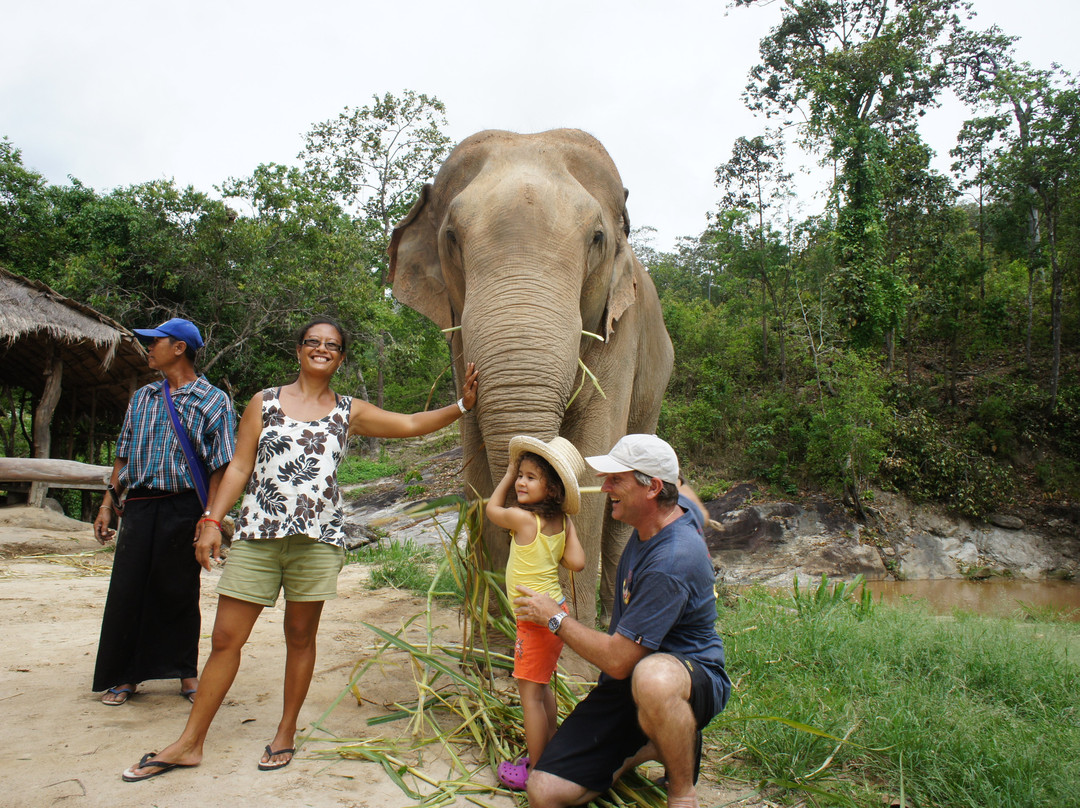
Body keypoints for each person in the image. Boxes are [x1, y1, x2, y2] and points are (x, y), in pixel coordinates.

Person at [121, 316, 479, 782]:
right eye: (313, 341)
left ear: (342, 357)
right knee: (226, 639)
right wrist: (211, 519)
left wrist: (460, 406)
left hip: (317, 542)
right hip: (257, 536)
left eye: (332, 345)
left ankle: (286, 731)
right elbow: (238, 468)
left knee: (300, 637)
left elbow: (411, 424)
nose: (322, 349)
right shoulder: (263, 403)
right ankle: (190, 742)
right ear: (299, 350)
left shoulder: (349, 410)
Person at [514, 434, 731, 808]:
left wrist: (555, 617)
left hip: (688, 678)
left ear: (652, 489)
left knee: (653, 678)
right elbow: (689, 496)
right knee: (545, 792)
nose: (605, 486)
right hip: (626, 684)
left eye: (617, 479)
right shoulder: (675, 508)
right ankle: (650, 743)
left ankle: (682, 794)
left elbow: (617, 660)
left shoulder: (672, 561)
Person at [93, 317, 236, 707]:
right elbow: (123, 455)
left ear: (179, 348)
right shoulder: (143, 397)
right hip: (138, 505)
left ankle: (185, 673)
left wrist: (211, 518)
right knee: (128, 589)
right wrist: (109, 503)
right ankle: (125, 675)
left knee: (177, 589)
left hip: (184, 504)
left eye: (156, 341)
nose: (148, 347)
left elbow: (222, 466)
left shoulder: (213, 401)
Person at [485, 436, 586, 791]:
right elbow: (577, 562)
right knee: (542, 688)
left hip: (533, 622)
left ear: (553, 488)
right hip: (556, 614)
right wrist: (565, 534)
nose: (521, 482)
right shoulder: (562, 523)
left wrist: (506, 473)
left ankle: (538, 768)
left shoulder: (523, 519)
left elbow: (491, 509)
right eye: (520, 475)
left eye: (530, 476)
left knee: (529, 695)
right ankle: (553, 751)